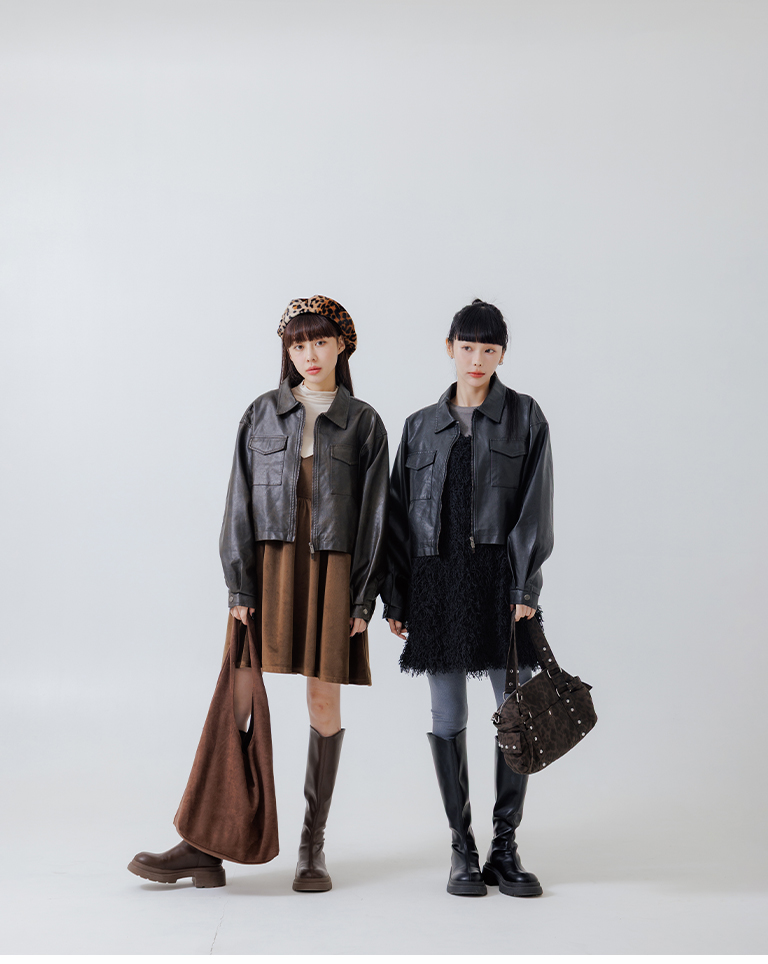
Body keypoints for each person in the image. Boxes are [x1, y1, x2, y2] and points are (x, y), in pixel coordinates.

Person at [129, 296, 389, 892]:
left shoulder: (365, 422)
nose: (309, 354)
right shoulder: (261, 414)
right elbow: (238, 501)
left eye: (319, 341)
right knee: (238, 691)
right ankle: (203, 845)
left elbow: (378, 515)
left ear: (342, 345)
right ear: (287, 352)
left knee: (322, 702)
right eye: (298, 344)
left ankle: (311, 848)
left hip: (333, 571)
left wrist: (362, 599)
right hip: (267, 569)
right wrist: (239, 583)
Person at [382, 298, 553, 898]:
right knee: (448, 716)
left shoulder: (525, 416)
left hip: (501, 585)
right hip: (436, 584)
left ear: (502, 354)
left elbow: (535, 506)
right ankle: (462, 848)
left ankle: (505, 848)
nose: (476, 359)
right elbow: (396, 519)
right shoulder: (418, 426)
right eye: (467, 346)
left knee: (516, 710)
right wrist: (397, 597)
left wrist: (524, 585)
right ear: (449, 348)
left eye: (489, 349)